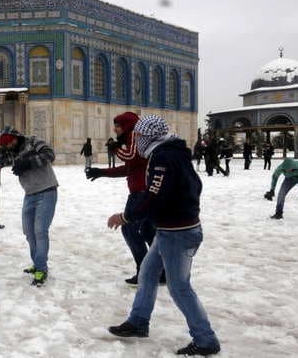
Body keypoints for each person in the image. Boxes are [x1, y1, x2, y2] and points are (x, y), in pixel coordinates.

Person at [106, 114, 220, 356]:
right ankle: (138, 322)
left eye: (139, 136)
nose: (136, 140)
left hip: (177, 233)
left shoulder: (163, 158)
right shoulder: (173, 153)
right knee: (147, 274)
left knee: (179, 287)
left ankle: (206, 339)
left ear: (150, 136)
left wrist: (126, 217)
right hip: (171, 229)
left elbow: (154, 195)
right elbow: (195, 186)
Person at [86, 112, 163, 286]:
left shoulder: (136, 135)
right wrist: (102, 172)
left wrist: (115, 147)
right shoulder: (131, 140)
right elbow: (129, 168)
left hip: (142, 193)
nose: (115, 129)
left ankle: (146, 273)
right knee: (148, 231)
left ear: (127, 126)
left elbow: (131, 157)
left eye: (118, 126)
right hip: (145, 191)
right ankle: (161, 272)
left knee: (129, 229)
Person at [0, 125, 58, 287]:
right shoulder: (11, 152)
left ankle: (41, 268)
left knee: (40, 231)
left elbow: (50, 154)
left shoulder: (33, 141)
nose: (9, 146)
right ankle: (37, 263)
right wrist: (0, 149)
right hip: (29, 194)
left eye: (10, 142)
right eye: (5, 144)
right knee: (29, 232)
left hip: (47, 191)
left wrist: (28, 163)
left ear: (17, 137)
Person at [264, 158, 298, 223]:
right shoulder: (281, 167)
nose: (289, 171)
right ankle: (278, 213)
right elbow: (275, 176)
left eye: (291, 170)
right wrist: (272, 189)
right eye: (286, 170)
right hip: (289, 179)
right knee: (281, 194)